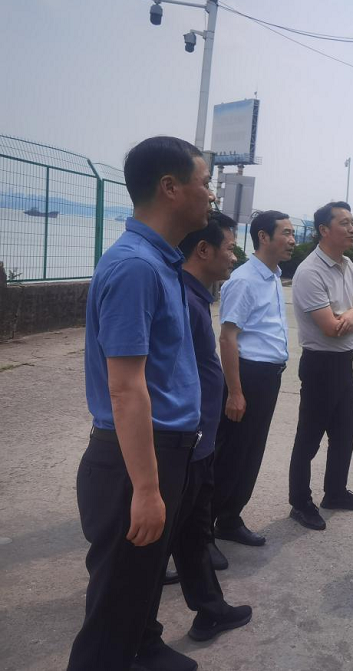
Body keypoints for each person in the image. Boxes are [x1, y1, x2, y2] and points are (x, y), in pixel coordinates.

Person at [68, 136, 213, 671]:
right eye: (204, 183)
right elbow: (125, 387)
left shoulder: (162, 263)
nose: (212, 195)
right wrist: (148, 490)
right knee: (112, 609)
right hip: (134, 461)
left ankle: (143, 648)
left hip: (164, 450)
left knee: (140, 585)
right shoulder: (135, 268)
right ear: (170, 188)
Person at [136, 212, 253, 660]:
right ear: (202, 250)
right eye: (227, 246)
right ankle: (142, 640)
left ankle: (210, 607)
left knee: (194, 533)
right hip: (184, 443)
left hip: (199, 442)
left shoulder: (196, 296)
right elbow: (156, 381)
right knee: (156, 548)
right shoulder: (180, 298)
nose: (233, 254)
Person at [210, 210, 295, 548]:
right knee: (230, 455)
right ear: (263, 237)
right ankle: (203, 533)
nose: (292, 240)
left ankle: (230, 519)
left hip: (269, 377)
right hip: (247, 376)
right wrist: (235, 392)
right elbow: (228, 338)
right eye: (285, 233)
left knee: (251, 453)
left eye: (292, 233)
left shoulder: (273, 275)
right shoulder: (243, 280)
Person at [288, 202, 353, 530]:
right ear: (324, 230)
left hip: (344, 363)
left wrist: (352, 314)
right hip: (320, 366)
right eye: (344, 223)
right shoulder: (310, 272)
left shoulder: (347, 264)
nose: (352, 229)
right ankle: (300, 502)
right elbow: (329, 328)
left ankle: (335, 492)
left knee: (344, 434)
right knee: (308, 438)